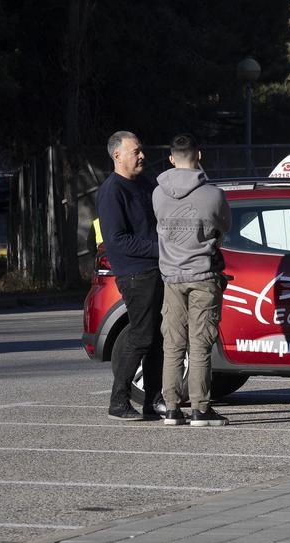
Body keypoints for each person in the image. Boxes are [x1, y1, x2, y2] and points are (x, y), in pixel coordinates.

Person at [153, 134, 232, 427]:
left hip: (171, 277)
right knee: (200, 345)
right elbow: (224, 227)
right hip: (203, 275)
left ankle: (171, 407)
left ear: (171, 158)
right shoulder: (214, 194)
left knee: (172, 344)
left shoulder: (157, 193)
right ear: (199, 155)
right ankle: (200, 408)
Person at [97, 131, 163, 421]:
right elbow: (117, 240)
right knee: (141, 336)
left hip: (158, 271)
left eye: (141, 150)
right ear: (117, 156)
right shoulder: (113, 191)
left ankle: (154, 400)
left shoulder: (146, 184)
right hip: (136, 274)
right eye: (135, 151)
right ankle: (118, 401)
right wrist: (159, 248)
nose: (142, 155)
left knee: (157, 339)